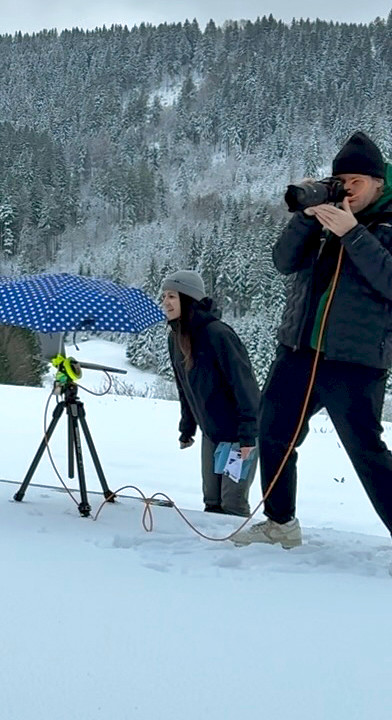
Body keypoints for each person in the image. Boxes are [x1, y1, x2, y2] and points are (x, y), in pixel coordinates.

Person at [234, 131, 392, 550]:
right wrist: (306, 217)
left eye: (359, 180)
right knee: (274, 433)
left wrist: (354, 233)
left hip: (355, 359)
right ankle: (279, 522)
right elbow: (284, 262)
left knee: (366, 451)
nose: (349, 187)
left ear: (379, 182)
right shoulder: (326, 213)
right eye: (343, 179)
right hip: (299, 349)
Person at [161, 270, 261, 517]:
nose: (165, 302)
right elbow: (185, 388)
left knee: (233, 505)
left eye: (172, 296)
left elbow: (245, 386)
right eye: (163, 296)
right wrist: (187, 427)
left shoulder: (218, 334)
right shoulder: (176, 338)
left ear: (188, 298)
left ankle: (242, 555)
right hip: (212, 433)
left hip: (239, 436)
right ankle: (213, 555)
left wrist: (248, 435)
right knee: (212, 503)